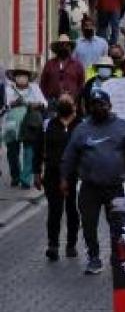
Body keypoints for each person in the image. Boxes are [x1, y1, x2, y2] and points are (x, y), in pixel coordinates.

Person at [61, 88, 125, 274]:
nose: (98, 108)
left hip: (115, 186)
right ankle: (94, 257)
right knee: (88, 225)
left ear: (110, 106)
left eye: (102, 104)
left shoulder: (123, 126)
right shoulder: (81, 129)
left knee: (118, 225)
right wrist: (64, 178)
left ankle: (117, 257)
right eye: (94, 105)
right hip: (89, 187)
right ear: (88, 107)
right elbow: (70, 156)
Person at [32, 93, 81, 261]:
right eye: (62, 101)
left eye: (68, 101)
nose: (65, 103)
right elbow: (37, 149)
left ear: (74, 105)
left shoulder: (81, 126)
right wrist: (36, 172)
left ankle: (71, 244)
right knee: (54, 210)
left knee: (72, 211)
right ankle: (53, 245)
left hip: (75, 175)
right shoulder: (47, 125)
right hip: (52, 175)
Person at [4, 62, 47, 188]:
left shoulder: (35, 88)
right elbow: (6, 105)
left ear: (28, 77)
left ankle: (25, 179)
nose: (21, 77)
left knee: (29, 151)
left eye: (24, 75)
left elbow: (44, 103)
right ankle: (15, 176)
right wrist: (13, 103)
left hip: (30, 123)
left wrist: (35, 104)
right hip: (12, 123)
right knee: (12, 152)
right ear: (15, 77)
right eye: (19, 75)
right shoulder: (8, 89)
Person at [40, 34, 86, 106]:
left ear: (70, 48)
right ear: (57, 48)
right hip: (52, 102)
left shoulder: (77, 65)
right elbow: (43, 83)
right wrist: (46, 99)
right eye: (61, 45)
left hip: (71, 102)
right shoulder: (49, 64)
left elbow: (81, 84)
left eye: (67, 45)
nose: (64, 47)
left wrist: (75, 98)